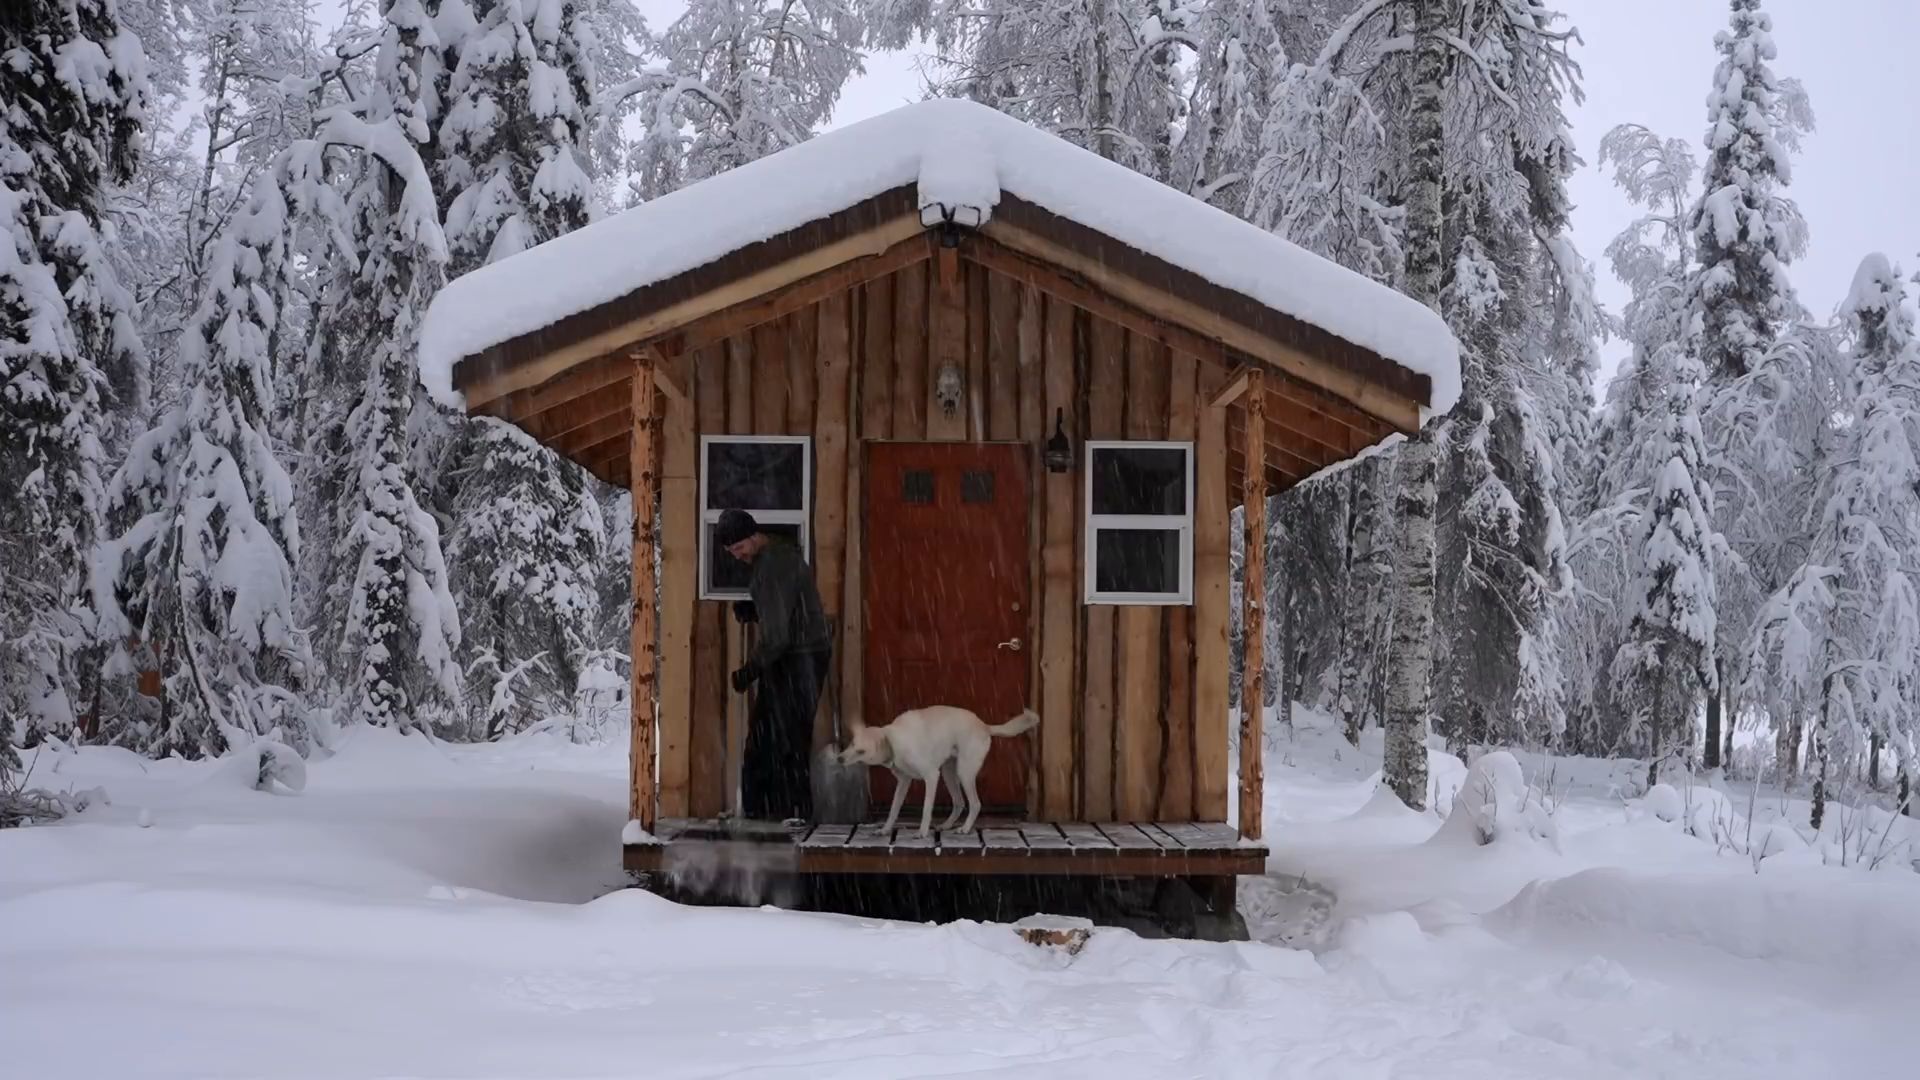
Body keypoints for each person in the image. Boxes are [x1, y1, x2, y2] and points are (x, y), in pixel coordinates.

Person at [715, 508, 832, 822]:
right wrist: (756, 609)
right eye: (731, 552)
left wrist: (749, 671)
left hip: (797, 658)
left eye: (739, 548)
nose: (737, 556)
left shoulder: (771, 565)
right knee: (782, 736)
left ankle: (778, 813)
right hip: (803, 654)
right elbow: (789, 607)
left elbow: (778, 636)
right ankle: (783, 811)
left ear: (754, 536)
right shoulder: (779, 552)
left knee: (778, 738)